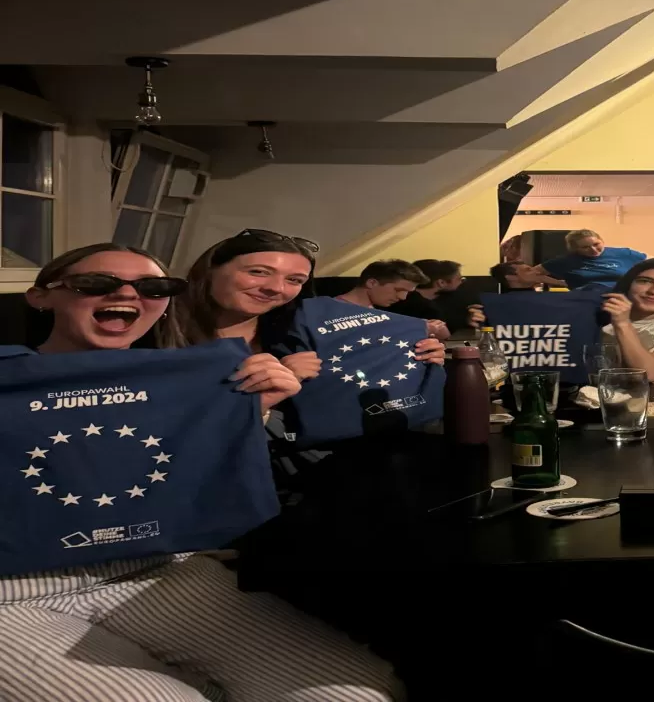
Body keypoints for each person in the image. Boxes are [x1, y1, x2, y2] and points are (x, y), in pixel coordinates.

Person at [0, 242, 401, 701]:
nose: (129, 295)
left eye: (153, 286)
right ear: (40, 296)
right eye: (97, 283)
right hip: (14, 589)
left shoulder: (195, 381)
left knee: (356, 692)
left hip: (159, 568)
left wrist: (249, 411)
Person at [180, 230, 445, 383]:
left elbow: (357, 377)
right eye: (259, 272)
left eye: (294, 280)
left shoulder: (300, 331)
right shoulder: (157, 338)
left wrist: (416, 357)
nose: (276, 288)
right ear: (211, 270)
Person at [336, 259, 449, 339]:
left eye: (408, 292)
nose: (402, 297)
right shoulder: (334, 311)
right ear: (372, 283)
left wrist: (428, 327)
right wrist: (415, 329)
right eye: (398, 290)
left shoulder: (375, 310)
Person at [390, 259, 485, 334]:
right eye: (460, 279)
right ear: (441, 283)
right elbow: (446, 335)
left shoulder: (451, 298)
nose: (462, 282)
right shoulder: (419, 305)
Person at [532, 230, 646, 291]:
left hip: (623, 300)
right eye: (585, 247)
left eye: (596, 244)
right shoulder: (566, 261)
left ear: (602, 240)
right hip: (587, 302)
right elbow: (531, 274)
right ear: (575, 249)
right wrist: (560, 283)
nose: (593, 249)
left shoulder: (623, 253)